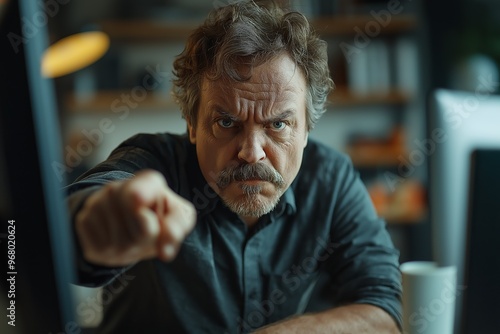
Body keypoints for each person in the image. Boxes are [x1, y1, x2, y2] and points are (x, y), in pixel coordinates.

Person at [66, 1, 402, 333]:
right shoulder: (153, 163)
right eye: (226, 122)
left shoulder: (332, 181)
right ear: (192, 126)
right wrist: (102, 219)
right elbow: (64, 227)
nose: (251, 152)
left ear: (306, 131)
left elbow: (385, 307)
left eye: (278, 125)